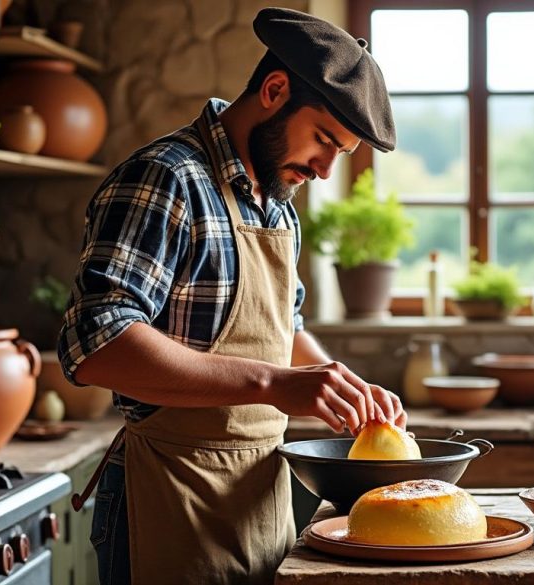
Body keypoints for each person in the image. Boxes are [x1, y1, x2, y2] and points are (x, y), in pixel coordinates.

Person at [57, 7, 403, 585]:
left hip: (257, 500)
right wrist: (273, 383)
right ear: (274, 90)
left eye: (337, 154)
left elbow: (281, 328)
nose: (322, 170)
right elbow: (97, 345)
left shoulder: (276, 202)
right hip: (168, 495)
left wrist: (342, 384)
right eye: (322, 140)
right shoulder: (166, 178)